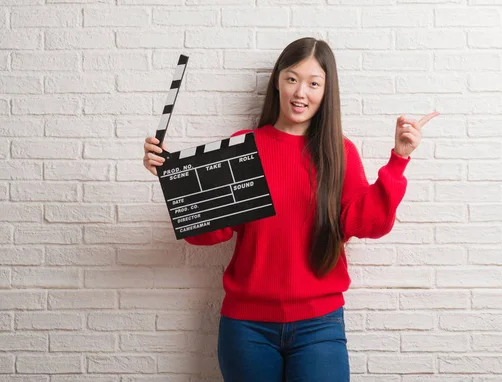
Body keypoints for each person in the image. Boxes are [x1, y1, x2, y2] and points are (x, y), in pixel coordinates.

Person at [143, 37, 439, 382]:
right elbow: (211, 234)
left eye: (314, 83)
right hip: (247, 327)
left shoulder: (338, 152)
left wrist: (399, 159)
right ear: (278, 82)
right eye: (292, 79)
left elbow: (367, 223)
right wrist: (176, 181)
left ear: (327, 91)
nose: (301, 92)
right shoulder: (244, 146)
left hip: (320, 324)